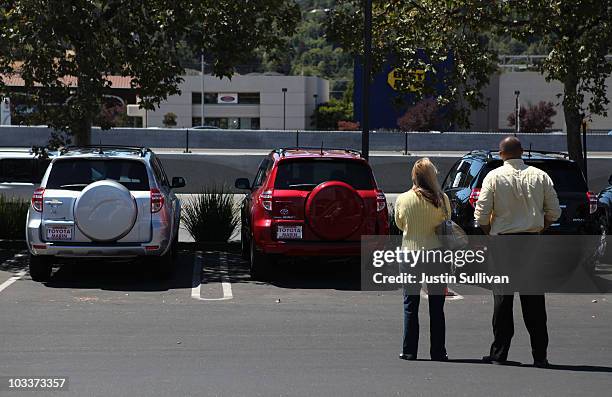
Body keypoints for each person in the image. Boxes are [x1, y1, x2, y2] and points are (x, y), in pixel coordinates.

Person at [474, 136, 561, 368]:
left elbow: (481, 214)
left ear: (501, 154)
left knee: (502, 300)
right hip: (531, 241)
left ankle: (499, 352)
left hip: (503, 242)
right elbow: (554, 212)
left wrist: (490, 232)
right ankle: (540, 355)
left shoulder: (493, 176)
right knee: (534, 301)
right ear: (521, 152)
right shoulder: (540, 176)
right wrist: (539, 228)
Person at [394, 158, 451, 361]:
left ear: (414, 176)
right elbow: (447, 223)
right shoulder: (442, 199)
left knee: (410, 304)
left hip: (410, 254)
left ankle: (409, 350)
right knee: (437, 306)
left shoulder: (403, 199)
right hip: (436, 255)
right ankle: (438, 351)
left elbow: (400, 225)